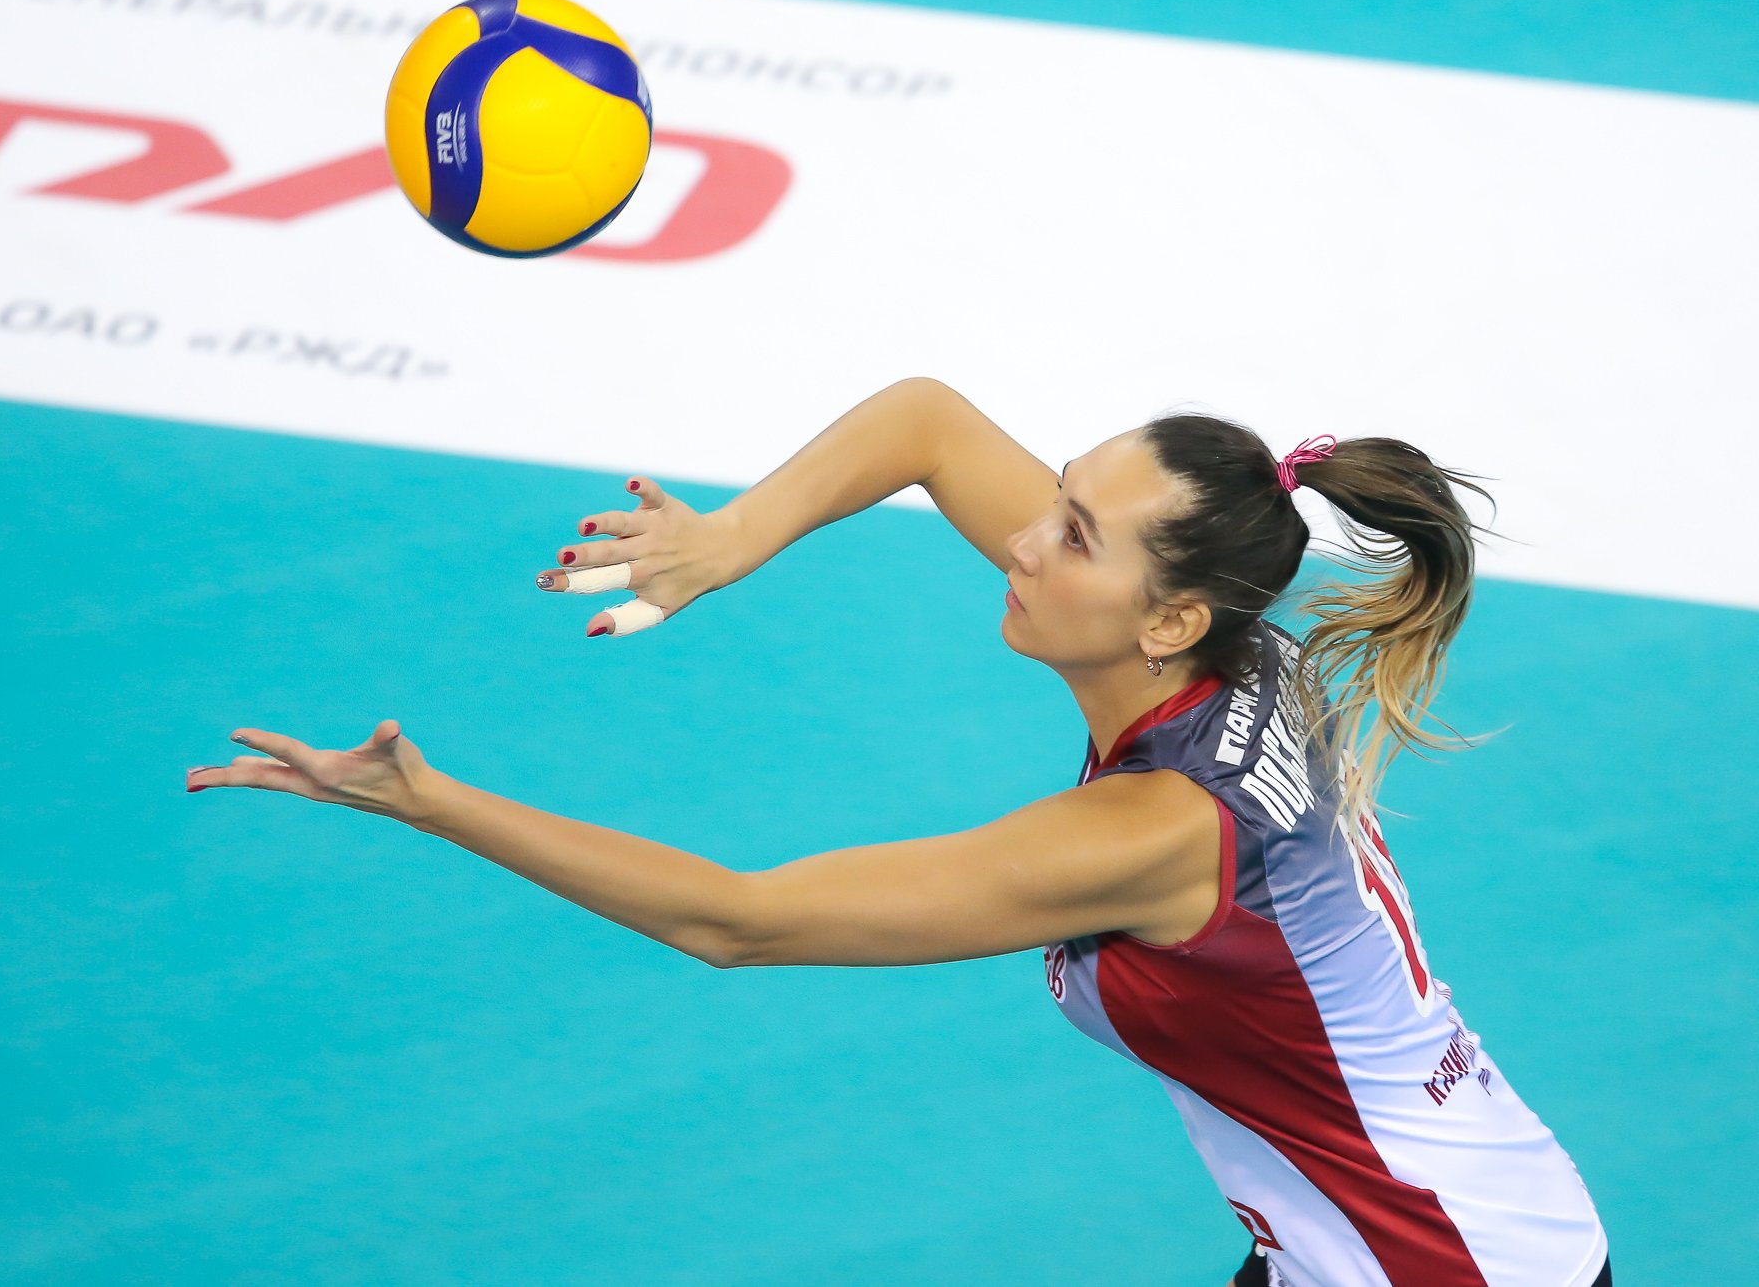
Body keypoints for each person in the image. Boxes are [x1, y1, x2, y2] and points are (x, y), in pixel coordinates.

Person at [186, 377, 1609, 1286]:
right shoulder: (1239, 653)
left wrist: (426, 800)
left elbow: (738, 922)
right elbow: (926, 423)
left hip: (1439, 1263)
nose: (1026, 541)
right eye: (1058, 500)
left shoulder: (1156, 830)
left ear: (1171, 617)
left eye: (1074, 537)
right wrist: (727, 541)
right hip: (1411, 1231)